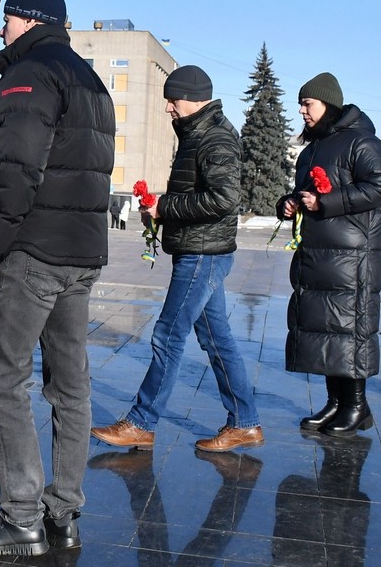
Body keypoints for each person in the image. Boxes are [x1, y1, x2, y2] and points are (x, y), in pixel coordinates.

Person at [0, 0, 115, 558]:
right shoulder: (91, 81)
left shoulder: (29, 76)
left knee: (3, 380)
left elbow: (15, 170)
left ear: (27, 20)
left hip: (34, 254)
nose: (1, 29)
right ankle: (64, 515)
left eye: (7, 19)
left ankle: (21, 517)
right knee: (70, 387)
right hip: (82, 253)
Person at [91, 65, 263, 453]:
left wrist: (165, 208)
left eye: (174, 99)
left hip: (203, 254)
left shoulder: (214, 137)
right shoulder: (198, 133)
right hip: (201, 250)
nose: (168, 107)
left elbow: (224, 199)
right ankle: (245, 423)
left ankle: (141, 422)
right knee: (216, 337)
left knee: (168, 335)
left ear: (194, 96)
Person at [277, 73, 381, 437]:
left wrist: (326, 202)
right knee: (328, 331)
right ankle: (335, 403)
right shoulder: (313, 148)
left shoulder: (360, 141)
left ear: (328, 103)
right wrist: (290, 203)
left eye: (307, 103)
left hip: (352, 256)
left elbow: (380, 185)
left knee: (350, 328)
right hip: (319, 254)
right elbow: (303, 191)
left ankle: (357, 407)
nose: (302, 110)